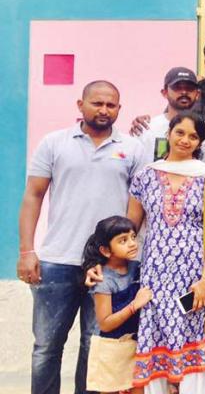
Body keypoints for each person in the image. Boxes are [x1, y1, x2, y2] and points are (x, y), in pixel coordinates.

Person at [17, 80, 145, 394]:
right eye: (97, 103)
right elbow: (33, 195)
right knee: (47, 346)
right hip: (58, 261)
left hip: (106, 268)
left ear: (119, 109)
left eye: (111, 105)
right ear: (80, 105)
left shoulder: (132, 148)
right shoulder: (54, 143)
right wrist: (26, 251)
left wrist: (119, 255)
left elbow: (137, 206)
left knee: (95, 345)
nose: (104, 110)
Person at [127, 112, 205, 393]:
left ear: (200, 143)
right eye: (180, 132)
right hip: (155, 274)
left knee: (190, 337)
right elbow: (130, 227)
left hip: (194, 276)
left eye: (193, 136)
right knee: (154, 334)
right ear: (168, 134)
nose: (185, 140)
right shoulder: (146, 176)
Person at [82, 216, 152, 394]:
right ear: (105, 250)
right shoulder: (103, 280)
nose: (132, 244)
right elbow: (105, 323)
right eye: (123, 240)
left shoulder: (137, 268)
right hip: (111, 350)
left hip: (135, 346)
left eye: (133, 237)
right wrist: (134, 306)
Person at [138, 67, 205, 169]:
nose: (184, 92)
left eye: (189, 88)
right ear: (164, 92)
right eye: (177, 87)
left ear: (197, 94)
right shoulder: (145, 129)